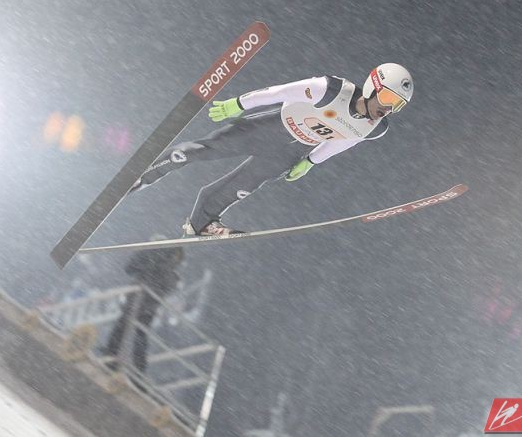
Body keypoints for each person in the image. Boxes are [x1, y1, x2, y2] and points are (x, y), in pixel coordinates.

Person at [130, 63, 414, 236]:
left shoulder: (375, 128)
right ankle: (143, 175)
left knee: (242, 187)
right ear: (373, 86)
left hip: (291, 151)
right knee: (205, 150)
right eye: (389, 99)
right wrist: (239, 104)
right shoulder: (329, 89)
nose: (388, 109)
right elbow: (279, 92)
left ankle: (200, 223)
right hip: (270, 127)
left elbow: (344, 140)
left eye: (398, 105)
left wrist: (311, 162)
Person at [102, 242, 184, 373]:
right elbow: (131, 269)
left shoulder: (164, 270)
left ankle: (127, 363)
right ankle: (124, 363)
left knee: (131, 332)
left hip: (143, 304)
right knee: (128, 331)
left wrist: (150, 261)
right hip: (142, 304)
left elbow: (135, 271)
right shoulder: (159, 266)